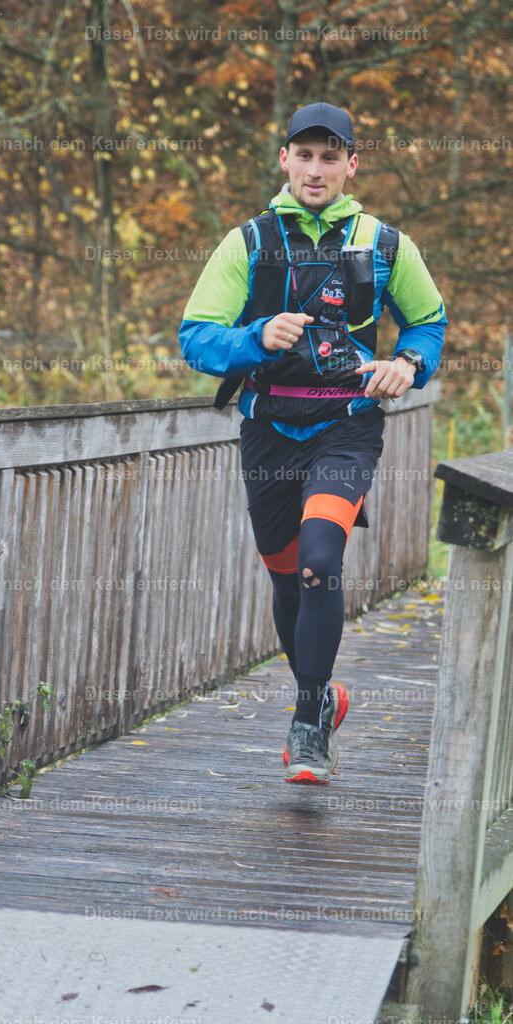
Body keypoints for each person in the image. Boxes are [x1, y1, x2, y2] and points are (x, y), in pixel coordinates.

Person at [178, 101, 446, 784]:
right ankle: (325, 696)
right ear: (285, 160)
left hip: (347, 424)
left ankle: (306, 727)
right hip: (269, 428)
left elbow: (429, 323)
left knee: (322, 558)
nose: (317, 169)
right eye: (306, 155)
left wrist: (407, 365)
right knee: (287, 576)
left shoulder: (386, 244)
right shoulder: (251, 242)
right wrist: (253, 337)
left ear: (352, 164)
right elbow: (195, 336)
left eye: (332, 156)